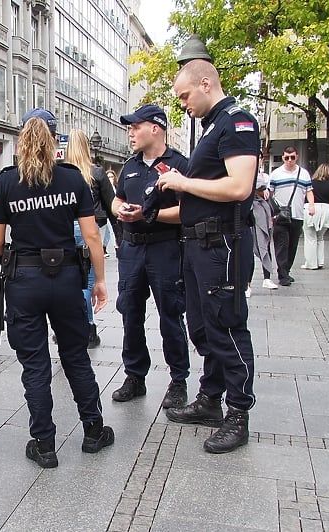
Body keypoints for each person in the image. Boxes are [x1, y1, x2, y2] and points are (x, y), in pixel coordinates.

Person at [0, 108, 113, 469]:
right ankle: (93, 431)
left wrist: (11, 260)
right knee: (75, 356)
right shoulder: (72, 179)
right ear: (55, 140)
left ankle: (44, 444)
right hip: (67, 279)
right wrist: (100, 282)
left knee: (36, 365)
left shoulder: (8, 181)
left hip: (25, 281)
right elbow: (92, 236)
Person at [157, 59, 259, 454]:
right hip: (200, 244)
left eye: (185, 95)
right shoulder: (212, 127)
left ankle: (237, 414)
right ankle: (210, 399)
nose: (183, 104)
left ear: (205, 83)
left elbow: (238, 187)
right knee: (202, 327)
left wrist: (183, 181)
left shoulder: (236, 121)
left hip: (223, 245)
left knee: (227, 328)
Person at [110, 104, 191, 412]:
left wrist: (150, 214)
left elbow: (187, 211)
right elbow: (117, 198)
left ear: (155, 128)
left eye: (135, 127)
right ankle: (135, 376)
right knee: (130, 312)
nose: (130, 132)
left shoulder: (178, 165)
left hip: (165, 247)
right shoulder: (130, 165)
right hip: (131, 248)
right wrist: (120, 209)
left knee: (171, 314)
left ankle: (178, 380)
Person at [64, 129, 116, 348]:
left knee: (69, 280)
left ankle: (67, 328)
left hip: (67, 229)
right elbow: (111, 205)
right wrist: (120, 238)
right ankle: (89, 329)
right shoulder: (97, 173)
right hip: (94, 228)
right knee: (89, 281)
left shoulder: (62, 174)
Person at [270, 146, 314, 285]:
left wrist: (312, 204)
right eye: (287, 157)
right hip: (280, 216)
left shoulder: (304, 174)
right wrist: (271, 212)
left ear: (297, 157)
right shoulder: (276, 174)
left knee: (292, 246)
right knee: (281, 245)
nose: (289, 160)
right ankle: (282, 275)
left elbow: (309, 191)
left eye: (292, 157)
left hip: (297, 215)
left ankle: (286, 271)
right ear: (283, 157)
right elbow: (269, 194)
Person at [301, 163, 329, 270]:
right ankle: (320, 261)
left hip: (311, 208)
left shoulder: (311, 183)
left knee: (310, 237)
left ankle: (311, 263)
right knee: (320, 237)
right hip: (326, 210)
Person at [252, 172, 279, 290]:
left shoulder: (266, 176)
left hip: (262, 212)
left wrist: (266, 189)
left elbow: (269, 191)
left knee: (265, 245)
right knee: (248, 250)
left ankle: (267, 278)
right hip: (249, 212)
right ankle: (247, 284)